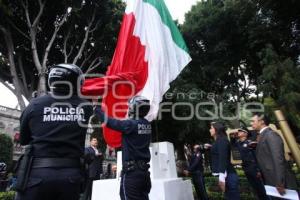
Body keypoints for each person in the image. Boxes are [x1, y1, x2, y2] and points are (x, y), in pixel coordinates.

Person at [15, 64, 94, 200]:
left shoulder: (34, 104)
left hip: (37, 175)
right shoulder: (85, 107)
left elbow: (23, 140)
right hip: (71, 177)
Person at [95, 95, 152, 200]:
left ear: (135, 108)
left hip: (132, 174)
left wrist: (96, 108)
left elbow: (110, 122)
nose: (129, 109)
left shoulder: (131, 125)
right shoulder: (147, 124)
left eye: (130, 107)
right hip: (144, 174)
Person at [251, 113, 298, 198]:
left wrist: (280, 182)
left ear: (261, 122)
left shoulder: (270, 135)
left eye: (253, 121)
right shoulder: (262, 135)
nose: (251, 123)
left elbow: (278, 159)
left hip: (280, 183)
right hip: (271, 180)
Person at [231, 128, 268, 200]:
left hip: (253, 168)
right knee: (254, 188)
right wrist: (233, 137)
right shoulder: (239, 143)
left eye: (240, 131)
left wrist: (258, 170)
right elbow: (232, 145)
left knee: (261, 189)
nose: (238, 132)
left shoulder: (250, 143)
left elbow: (255, 157)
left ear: (245, 134)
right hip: (246, 168)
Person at [209, 122, 240, 200]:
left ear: (216, 130)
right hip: (227, 175)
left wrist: (221, 177)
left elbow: (223, 158)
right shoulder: (219, 140)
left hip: (228, 175)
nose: (210, 130)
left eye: (211, 128)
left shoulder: (222, 140)